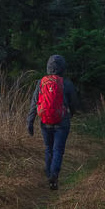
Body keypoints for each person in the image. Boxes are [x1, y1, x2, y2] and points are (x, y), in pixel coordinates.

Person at [26, 53, 80, 189]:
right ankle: (54, 175)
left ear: (48, 67)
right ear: (63, 68)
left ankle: (49, 173)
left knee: (48, 148)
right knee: (58, 149)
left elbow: (34, 103)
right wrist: (71, 114)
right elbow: (73, 103)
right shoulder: (66, 83)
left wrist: (30, 122)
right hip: (62, 122)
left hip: (45, 121)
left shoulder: (41, 82)